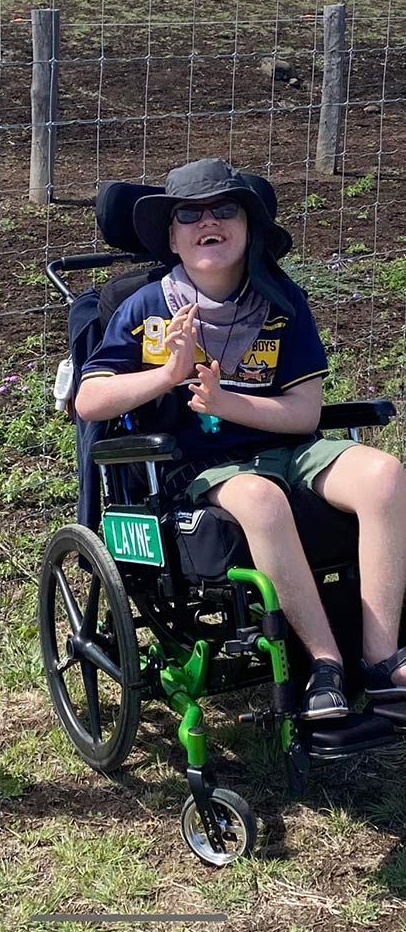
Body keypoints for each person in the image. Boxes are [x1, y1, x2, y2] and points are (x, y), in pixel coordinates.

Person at [75, 158, 406, 720]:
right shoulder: (146, 308)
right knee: (259, 496)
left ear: (248, 228)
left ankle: (379, 659)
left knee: (384, 475)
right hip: (197, 468)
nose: (211, 221)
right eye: (190, 214)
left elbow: (304, 413)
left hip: (286, 449)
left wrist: (227, 402)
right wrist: (166, 376)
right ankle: (325, 664)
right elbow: (89, 402)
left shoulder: (279, 302)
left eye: (225, 209)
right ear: (174, 238)